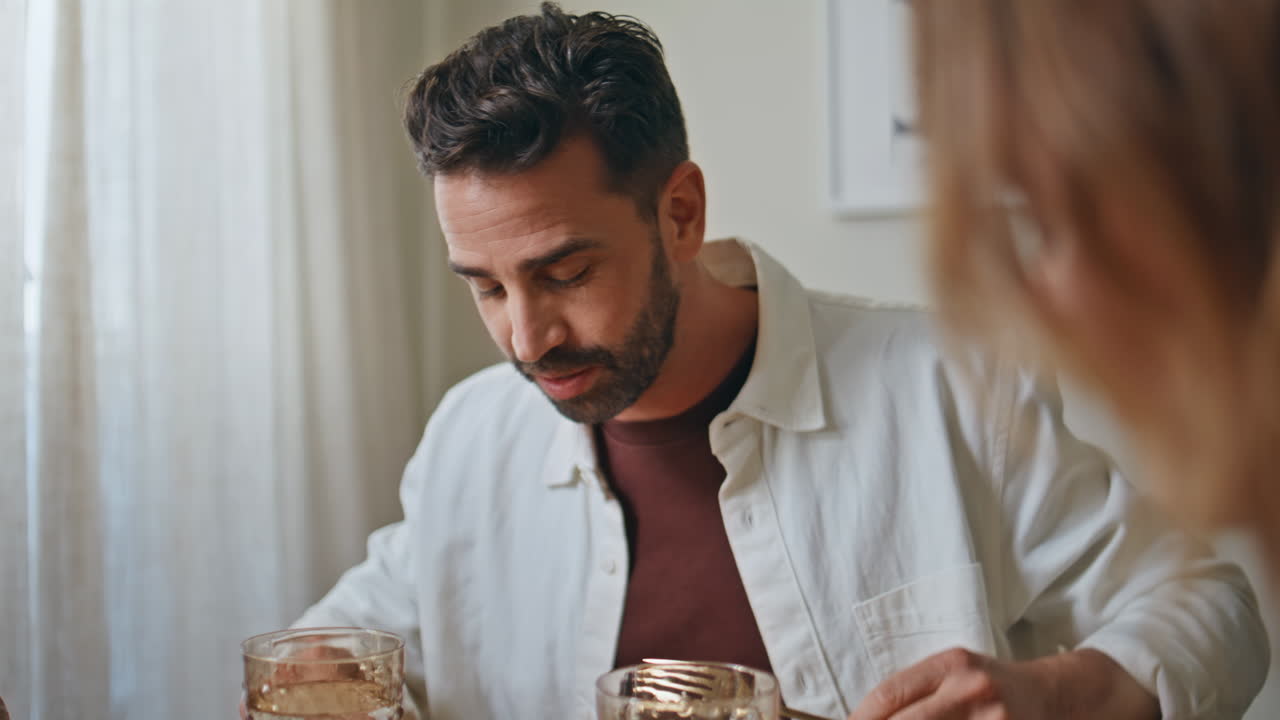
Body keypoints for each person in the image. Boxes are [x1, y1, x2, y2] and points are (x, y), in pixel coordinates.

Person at [295, 4, 1267, 719]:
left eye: (565, 272)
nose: (525, 336)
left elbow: (1212, 608)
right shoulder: (469, 438)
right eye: (486, 285)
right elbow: (331, 656)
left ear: (679, 213)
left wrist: (1068, 690)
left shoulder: (950, 384)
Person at [909, 1, 1280, 569]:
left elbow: (1201, 597)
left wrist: (1074, 665)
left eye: (1045, 221)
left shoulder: (949, 382)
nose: (1042, 302)